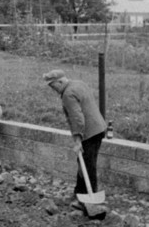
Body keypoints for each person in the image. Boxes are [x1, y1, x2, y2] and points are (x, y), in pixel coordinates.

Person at [43, 69, 107, 202]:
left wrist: (78, 140)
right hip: (98, 128)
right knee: (84, 161)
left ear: (60, 81)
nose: (52, 89)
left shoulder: (68, 94)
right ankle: (80, 192)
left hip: (89, 132)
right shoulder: (79, 83)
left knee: (88, 164)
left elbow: (77, 118)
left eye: (53, 85)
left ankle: (90, 197)